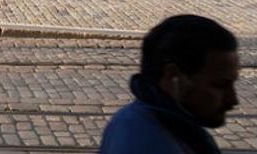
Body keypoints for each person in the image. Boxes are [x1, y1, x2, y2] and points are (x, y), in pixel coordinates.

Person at [100, 15, 239, 154]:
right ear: (173, 76)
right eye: (220, 85)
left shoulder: (132, 119)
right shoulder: (151, 144)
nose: (233, 100)